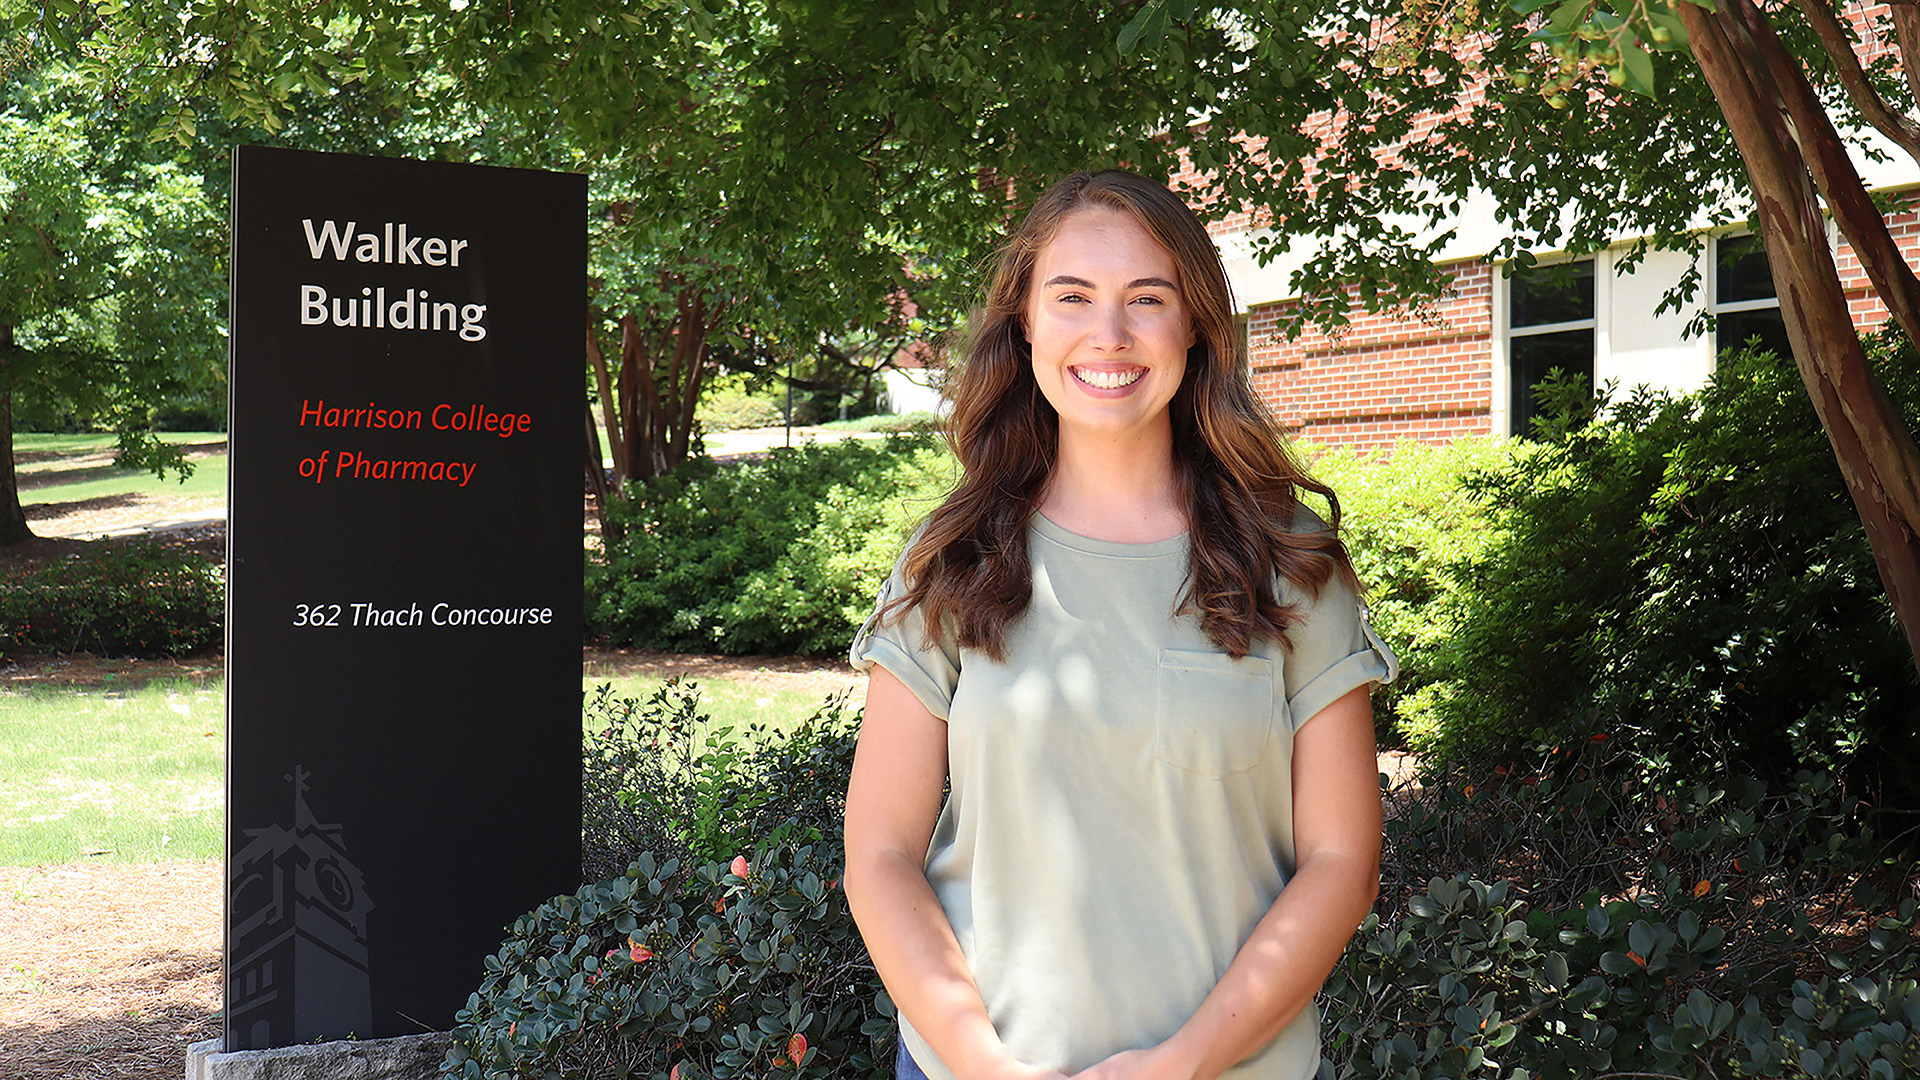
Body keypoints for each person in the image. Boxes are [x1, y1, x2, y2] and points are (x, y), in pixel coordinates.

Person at [842, 169, 1398, 1080]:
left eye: (1148, 298)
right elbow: (880, 853)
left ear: (1196, 325)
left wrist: (1180, 1064)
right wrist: (982, 1065)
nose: (1109, 335)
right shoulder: (956, 559)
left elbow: (1341, 862)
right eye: (1073, 297)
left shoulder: (1288, 562)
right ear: (1026, 323)